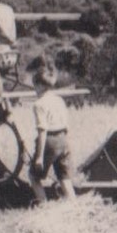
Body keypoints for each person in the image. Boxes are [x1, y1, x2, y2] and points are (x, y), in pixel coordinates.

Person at [29, 65, 75, 204]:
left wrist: (39, 157)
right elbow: (66, 124)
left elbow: (42, 130)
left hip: (49, 140)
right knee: (64, 177)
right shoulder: (58, 100)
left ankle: (44, 207)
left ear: (40, 85)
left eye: (35, 85)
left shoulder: (39, 104)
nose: (34, 89)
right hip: (63, 139)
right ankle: (74, 208)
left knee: (34, 176)